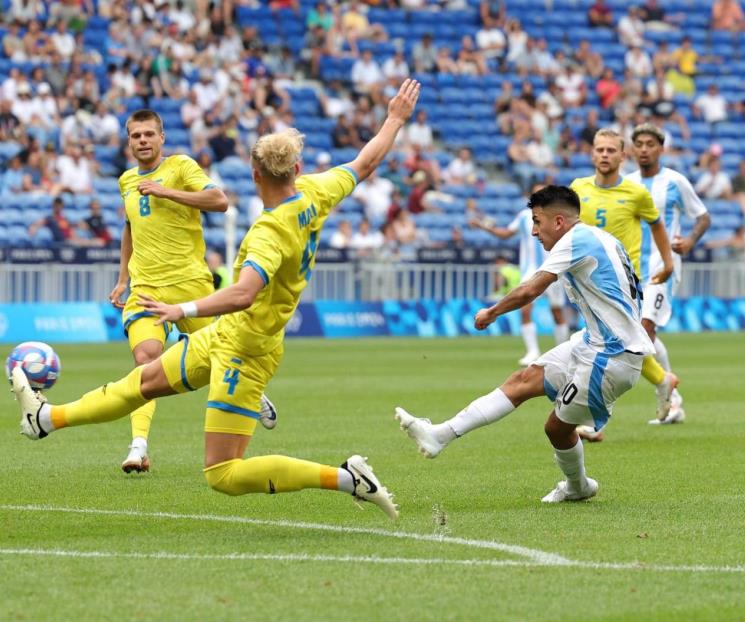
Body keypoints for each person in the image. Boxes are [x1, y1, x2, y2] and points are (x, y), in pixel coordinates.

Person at [11, 79, 422, 521]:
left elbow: (244, 293)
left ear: (255, 174)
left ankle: (346, 478)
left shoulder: (270, 231)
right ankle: (46, 419)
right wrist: (395, 118)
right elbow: (366, 160)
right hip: (227, 336)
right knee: (145, 380)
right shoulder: (317, 193)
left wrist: (181, 310)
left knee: (223, 473)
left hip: (247, 351)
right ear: (297, 169)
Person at [395, 185, 655, 503]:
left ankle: (578, 487)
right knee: (522, 380)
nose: (533, 231)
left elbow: (530, 290)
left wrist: (491, 312)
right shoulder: (600, 238)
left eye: (537, 222)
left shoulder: (574, 241)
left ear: (559, 222)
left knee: (556, 429)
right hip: (593, 343)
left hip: (611, 358)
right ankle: (441, 435)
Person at [108, 109, 234, 474]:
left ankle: (251, 394)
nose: (143, 140)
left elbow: (220, 201)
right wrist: (122, 279)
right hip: (145, 288)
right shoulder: (126, 180)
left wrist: (166, 191)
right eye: (136, 136)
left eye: (149, 134)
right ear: (129, 141)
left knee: (226, 356)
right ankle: (138, 446)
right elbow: (130, 226)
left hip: (192, 285)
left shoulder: (180, 166)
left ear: (161, 138)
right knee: (146, 361)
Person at [570, 129, 678, 427]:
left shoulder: (635, 193)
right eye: (599, 149)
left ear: (622, 155)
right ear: (592, 154)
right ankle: (662, 379)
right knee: (623, 343)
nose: (604, 155)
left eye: (610, 150)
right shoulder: (578, 188)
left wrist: (668, 262)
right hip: (586, 281)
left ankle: (590, 418)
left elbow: (657, 225)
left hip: (622, 283)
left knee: (602, 345)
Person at [627, 123, 710, 425]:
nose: (645, 149)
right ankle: (672, 393)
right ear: (632, 149)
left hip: (664, 266)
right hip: (634, 269)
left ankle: (669, 397)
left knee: (645, 329)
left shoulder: (675, 181)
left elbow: (703, 216)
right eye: (639, 144)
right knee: (643, 333)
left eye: (650, 143)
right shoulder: (628, 184)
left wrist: (688, 241)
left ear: (661, 148)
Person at [469, 200, 570, 365]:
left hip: (553, 267)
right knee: (525, 310)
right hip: (530, 271)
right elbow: (506, 234)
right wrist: (483, 226)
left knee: (557, 312)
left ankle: (563, 352)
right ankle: (532, 352)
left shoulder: (557, 216)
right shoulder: (524, 216)